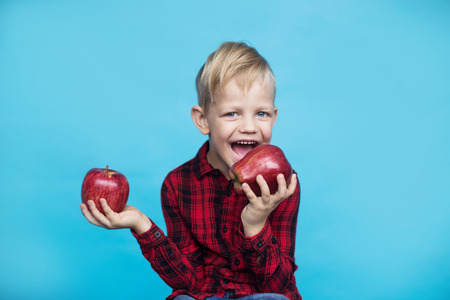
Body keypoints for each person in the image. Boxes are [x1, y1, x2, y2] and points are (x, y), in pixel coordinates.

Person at [81, 41, 302, 300]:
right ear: (202, 120)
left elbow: (281, 287)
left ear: (274, 117)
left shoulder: (281, 184)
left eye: (261, 114)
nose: (250, 126)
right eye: (232, 114)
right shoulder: (177, 184)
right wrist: (141, 225)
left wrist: (255, 224)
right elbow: (189, 280)